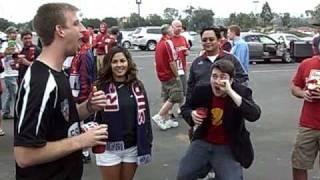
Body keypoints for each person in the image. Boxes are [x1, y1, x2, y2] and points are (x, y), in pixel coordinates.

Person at [14, 3, 108, 180]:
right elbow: (24, 155)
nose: (83, 30)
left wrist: (88, 107)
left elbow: (62, 119)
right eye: (76, 23)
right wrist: (82, 140)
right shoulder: (40, 83)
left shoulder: (57, 72)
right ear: (60, 30)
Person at [177, 59, 261, 180]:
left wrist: (230, 92)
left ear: (231, 80)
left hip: (228, 145)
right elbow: (185, 107)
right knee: (183, 175)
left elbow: (254, 115)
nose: (217, 81)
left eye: (223, 77)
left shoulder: (240, 92)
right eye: (214, 76)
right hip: (203, 140)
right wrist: (191, 114)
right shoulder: (202, 90)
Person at [95, 46, 152, 180]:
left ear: (128, 62)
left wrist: (147, 140)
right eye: (115, 62)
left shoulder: (137, 85)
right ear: (109, 64)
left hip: (132, 147)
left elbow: (146, 115)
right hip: (108, 148)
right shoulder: (100, 86)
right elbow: (92, 116)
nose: (119, 65)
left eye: (122, 61)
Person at [291, 39, 320, 180]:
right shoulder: (307, 64)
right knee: (299, 164)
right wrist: (303, 93)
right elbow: (295, 87)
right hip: (308, 125)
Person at [69, 30, 97, 163]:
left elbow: (85, 77)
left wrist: (82, 98)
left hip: (80, 94)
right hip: (77, 92)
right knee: (79, 123)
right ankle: (83, 151)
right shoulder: (82, 52)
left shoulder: (84, 54)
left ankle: (85, 152)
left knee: (82, 123)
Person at [152, 24, 184, 130]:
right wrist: (177, 75)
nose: (173, 30)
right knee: (177, 95)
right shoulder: (167, 42)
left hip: (162, 74)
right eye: (171, 29)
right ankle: (160, 116)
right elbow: (171, 61)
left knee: (166, 96)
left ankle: (167, 119)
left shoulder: (160, 42)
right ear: (167, 32)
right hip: (169, 74)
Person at [0, 26, 20, 119]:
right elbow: (2, 55)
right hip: (9, 73)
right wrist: (7, 52)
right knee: (16, 94)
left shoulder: (17, 44)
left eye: (16, 33)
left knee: (9, 94)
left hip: (17, 72)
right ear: (8, 34)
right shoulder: (5, 44)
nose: (15, 34)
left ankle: (6, 112)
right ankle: (19, 113)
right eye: (12, 33)